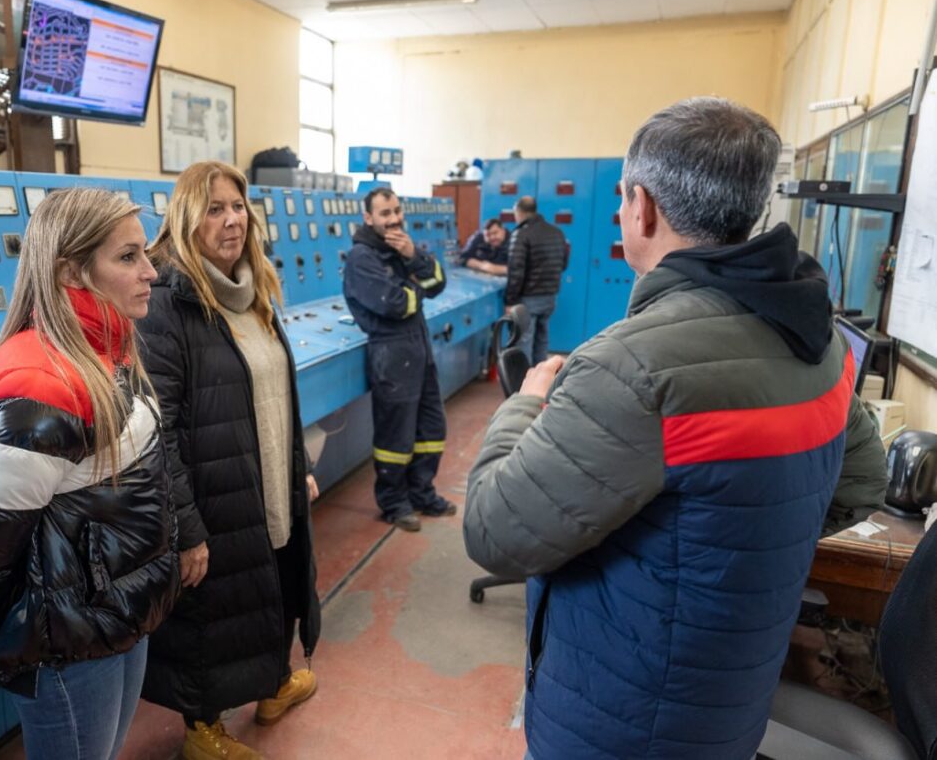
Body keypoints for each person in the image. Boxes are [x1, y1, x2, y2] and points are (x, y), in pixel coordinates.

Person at [463, 98, 887, 760]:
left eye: (622, 197)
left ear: (644, 208)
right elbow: (862, 481)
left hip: (618, 722)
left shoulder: (631, 366)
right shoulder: (818, 339)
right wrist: (732, 550)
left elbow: (494, 529)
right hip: (727, 708)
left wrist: (525, 401)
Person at [0, 188, 180, 760]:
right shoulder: (40, 388)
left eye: (145, 253)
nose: (150, 271)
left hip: (113, 611)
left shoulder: (110, 349)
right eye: (128, 257)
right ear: (71, 271)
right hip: (66, 634)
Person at [137, 161, 321, 760]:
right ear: (186, 218)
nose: (231, 220)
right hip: (211, 492)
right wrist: (186, 527)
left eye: (238, 206)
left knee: (276, 580)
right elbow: (157, 429)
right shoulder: (168, 303)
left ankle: (272, 685)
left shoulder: (253, 288)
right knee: (210, 610)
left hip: (267, 477)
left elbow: (275, 389)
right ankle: (202, 728)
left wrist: (297, 466)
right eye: (214, 208)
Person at [344, 187, 456, 532]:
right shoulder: (362, 258)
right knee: (396, 436)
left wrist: (413, 256)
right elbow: (395, 304)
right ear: (368, 218)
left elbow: (438, 282)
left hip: (418, 348)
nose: (393, 219)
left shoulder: (401, 248)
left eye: (396, 210)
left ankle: (422, 493)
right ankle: (394, 503)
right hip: (391, 353)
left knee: (430, 427)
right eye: (385, 213)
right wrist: (417, 289)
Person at [505, 196, 568, 363]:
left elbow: (516, 271)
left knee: (524, 340)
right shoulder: (557, 232)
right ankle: (541, 374)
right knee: (542, 338)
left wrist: (510, 300)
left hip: (528, 298)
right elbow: (563, 264)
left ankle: (524, 377)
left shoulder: (521, 234)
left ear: (519, 212)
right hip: (550, 296)